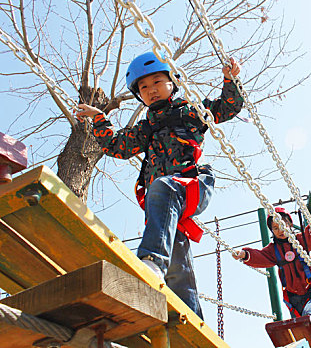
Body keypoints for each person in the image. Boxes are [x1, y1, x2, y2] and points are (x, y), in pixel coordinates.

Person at [76, 52, 243, 319]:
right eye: (144, 87)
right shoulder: (146, 128)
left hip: (191, 185)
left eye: (157, 82)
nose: (151, 90)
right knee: (177, 267)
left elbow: (226, 107)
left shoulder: (189, 111)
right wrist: (99, 118)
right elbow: (117, 146)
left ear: (172, 82)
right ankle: (189, 322)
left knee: (164, 187)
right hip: (163, 205)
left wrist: (230, 80)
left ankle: (151, 260)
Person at [232, 207, 311, 348]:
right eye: (276, 228)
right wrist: (244, 254)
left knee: (310, 317)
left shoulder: (300, 240)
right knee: (301, 333)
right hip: (294, 300)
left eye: (283, 225)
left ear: (290, 224)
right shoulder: (274, 250)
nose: (280, 230)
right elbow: (260, 256)